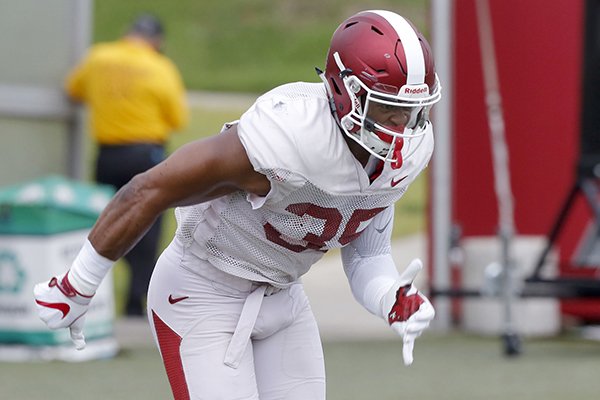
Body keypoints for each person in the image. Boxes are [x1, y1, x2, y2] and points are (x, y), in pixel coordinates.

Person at [35, 9, 440, 400]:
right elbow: (148, 190)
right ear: (343, 92)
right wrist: (78, 284)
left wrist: (390, 296)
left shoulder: (413, 148)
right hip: (202, 288)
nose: (403, 128)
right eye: (388, 109)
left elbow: (367, 252)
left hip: (283, 294)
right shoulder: (287, 135)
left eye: (412, 111)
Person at [64, 13, 189, 315]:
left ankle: (93, 294)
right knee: (147, 225)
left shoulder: (98, 58)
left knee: (105, 222)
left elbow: (74, 90)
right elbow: (177, 118)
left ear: (127, 32)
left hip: (107, 154)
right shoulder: (160, 67)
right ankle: (135, 300)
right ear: (157, 41)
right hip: (145, 155)